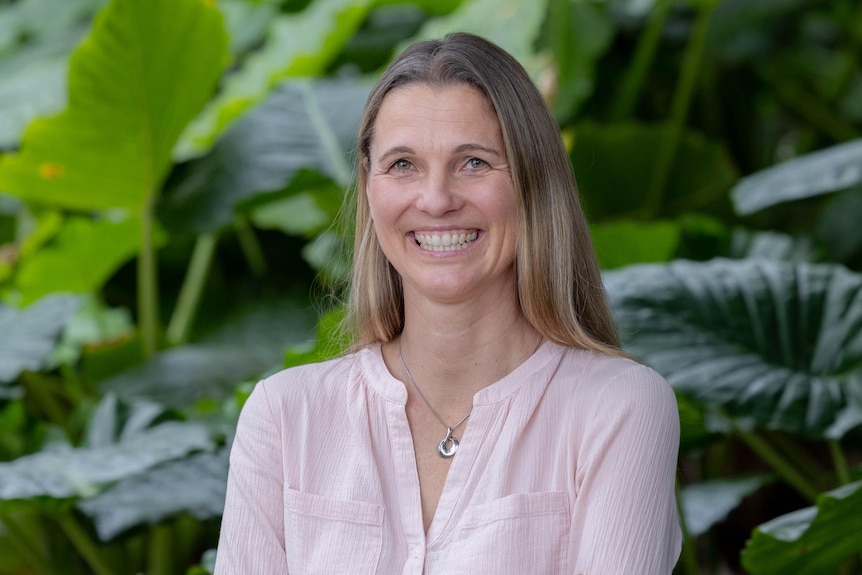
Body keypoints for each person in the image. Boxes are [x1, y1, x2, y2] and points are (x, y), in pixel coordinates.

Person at [214, 32, 681, 574]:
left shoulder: (618, 409)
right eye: (404, 164)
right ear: (368, 185)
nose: (436, 199)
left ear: (533, 181)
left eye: (474, 163)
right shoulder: (284, 417)